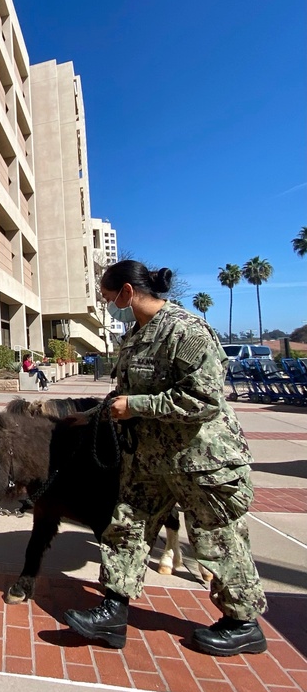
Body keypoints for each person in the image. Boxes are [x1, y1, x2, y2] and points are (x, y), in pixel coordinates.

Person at [62, 260, 267, 656]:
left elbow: (204, 399)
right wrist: (87, 416)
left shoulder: (185, 330)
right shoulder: (137, 336)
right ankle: (113, 612)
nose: (109, 306)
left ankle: (243, 624)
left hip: (202, 462)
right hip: (150, 462)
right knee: (125, 529)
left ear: (126, 291)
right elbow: (122, 394)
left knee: (217, 540)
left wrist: (136, 405)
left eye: (108, 298)